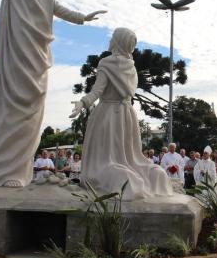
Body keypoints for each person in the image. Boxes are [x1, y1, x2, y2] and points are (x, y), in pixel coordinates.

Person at [0, 0, 106, 188]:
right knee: (11, 111)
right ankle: (1, 169)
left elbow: (56, 9)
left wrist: (81, 17)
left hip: (35, 57)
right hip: (16, 55)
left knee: (30, 113)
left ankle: (17, 171)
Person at [70, 28, 173, 199]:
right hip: (127, 115)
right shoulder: (131, 67)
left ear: (117, 41)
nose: (110, 41)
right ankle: (140, 178)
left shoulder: (106, 63)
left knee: (107, 159)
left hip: (107, 115)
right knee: (131, 158)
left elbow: (97, 90)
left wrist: (83, 102)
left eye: (113, 38)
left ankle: (113, 178)